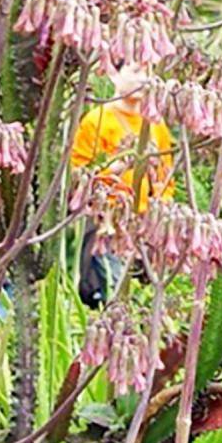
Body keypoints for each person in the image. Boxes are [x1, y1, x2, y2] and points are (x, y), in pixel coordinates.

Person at [69, 65, 175, 307]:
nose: (142, 78)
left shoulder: (156, 124)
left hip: (145, 223)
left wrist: (160, 206)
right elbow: (79, 174)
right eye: (135, 70)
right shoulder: (96, 120)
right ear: (115, 75)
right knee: (115, 285)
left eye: (146, 72)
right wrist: (118, 168)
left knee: (144, 289)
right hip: (109, 219)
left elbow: (166, 175)